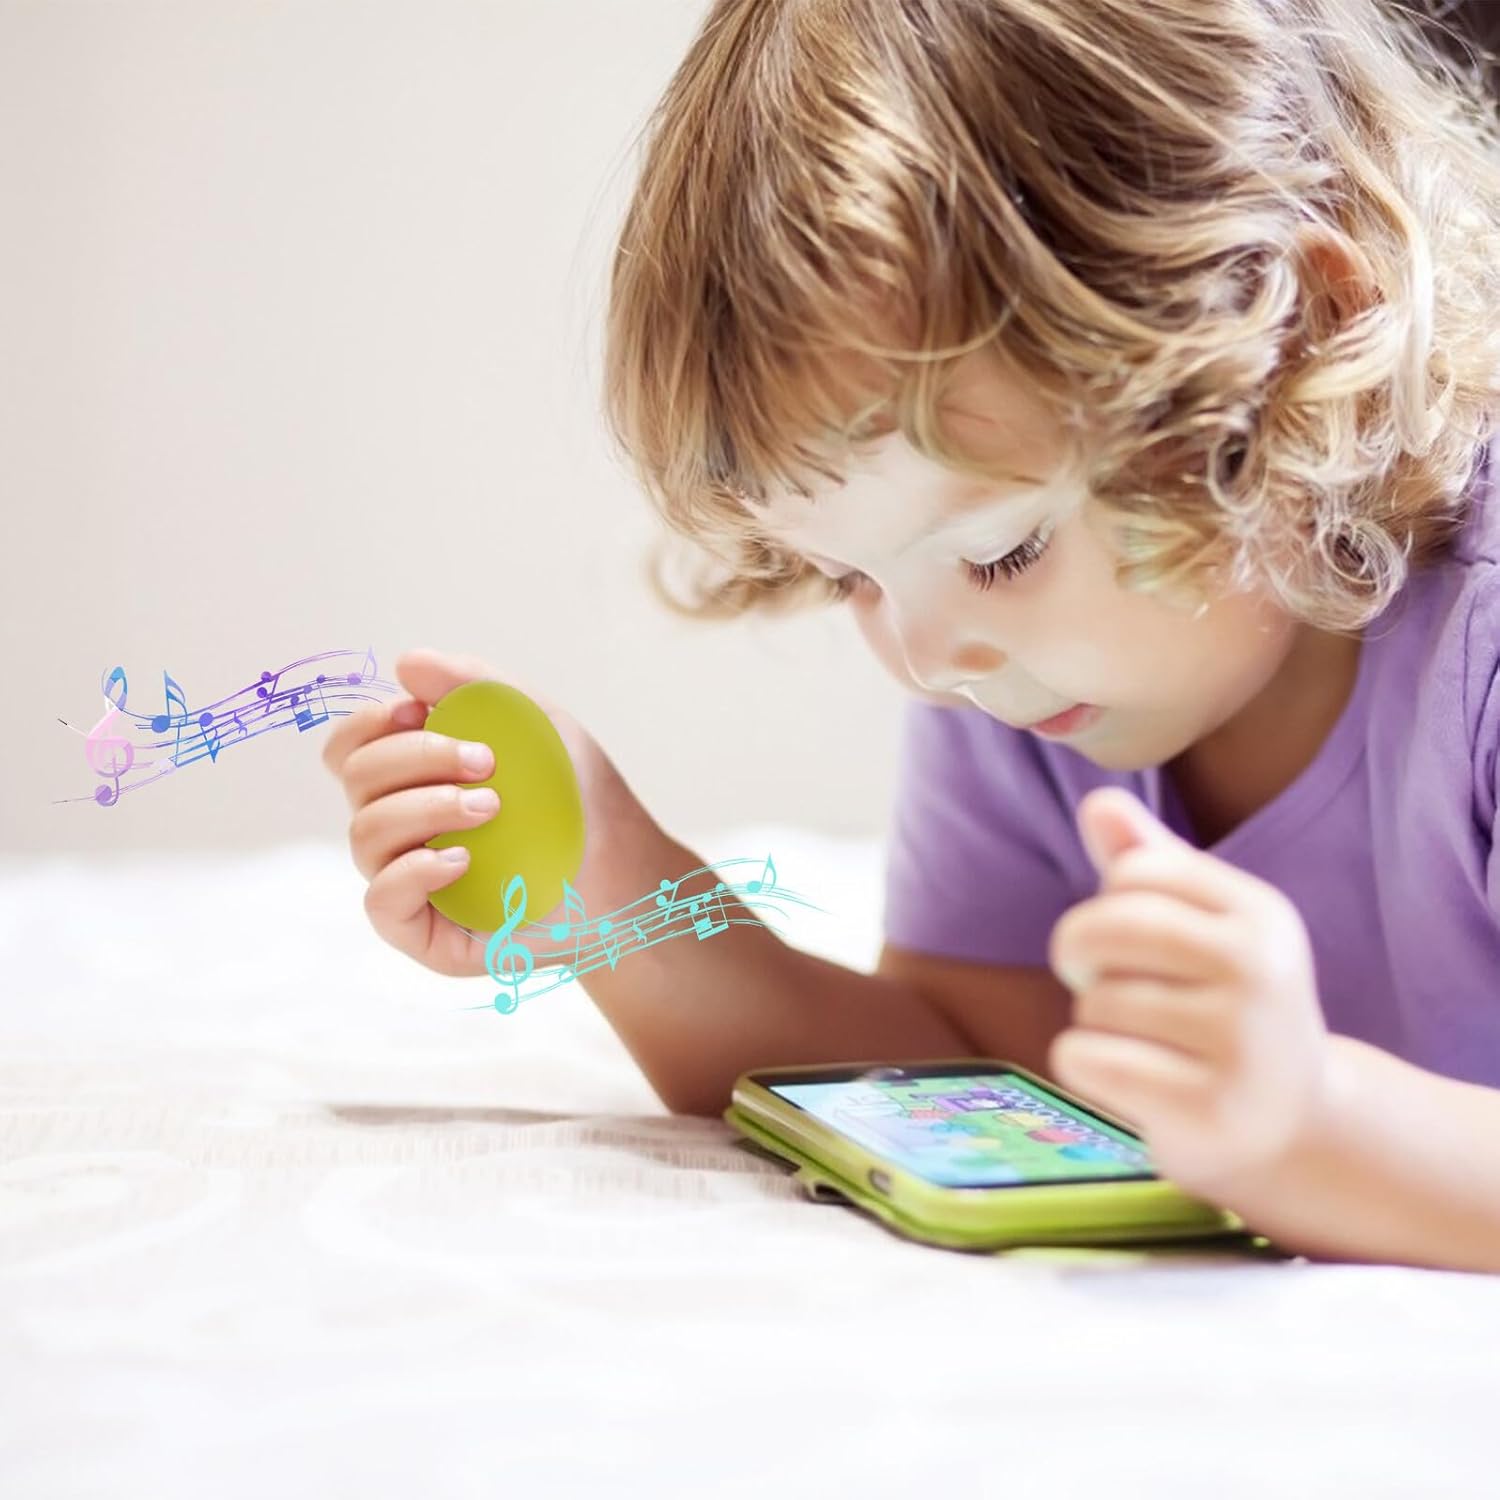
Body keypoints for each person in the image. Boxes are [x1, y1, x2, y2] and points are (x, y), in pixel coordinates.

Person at [324, 0, 1500, 1271]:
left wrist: (1316, 1125)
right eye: (851, 578)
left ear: (1300, 344)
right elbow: (966, 1070)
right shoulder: (1034, 686)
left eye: (1004, 549)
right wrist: (617, 892)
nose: (929, 659)